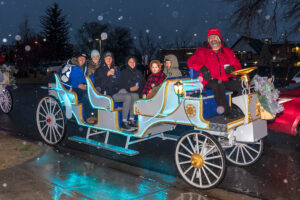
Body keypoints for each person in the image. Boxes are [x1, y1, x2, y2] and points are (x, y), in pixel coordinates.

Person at [187, 28, 242, 119]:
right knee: (217, 84)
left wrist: (233, 69)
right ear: (208, 40)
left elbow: (238, 66)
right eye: (210, 38)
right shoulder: (202, 52)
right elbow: (190, 62)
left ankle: (241, 108)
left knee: (242, 85)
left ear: (219, 38)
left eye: (215, 37)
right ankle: (226, 112)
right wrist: (202, 68)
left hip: (225, 79)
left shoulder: (227, 51)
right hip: (209, 80)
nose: (213, 40)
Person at [94, 52, 135, 131]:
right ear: (104, 59)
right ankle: (123, 122)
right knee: (127, 97)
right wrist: (107, 75)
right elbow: (99, 85)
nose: (109, 59)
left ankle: (131, 119)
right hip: (107, 94)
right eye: (107, 58)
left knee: (131, 94)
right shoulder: (99, 70)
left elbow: (118, 82)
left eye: (110, 58)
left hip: (116, 91)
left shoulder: (115, 69)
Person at [60, 53, 97, 124]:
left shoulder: (85, 68)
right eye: (81, 57)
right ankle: (90, 116)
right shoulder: (69, 67)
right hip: (72, 89)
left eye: (84, 58)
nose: (82, 59)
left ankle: (96, 115)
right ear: (77, 58)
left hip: (83, 88)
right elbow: (63, 80)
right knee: (86, 95)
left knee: (94, 94)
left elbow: (88, 78)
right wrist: (77, 85)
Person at [118, 56, 145, 127]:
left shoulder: (138, 73)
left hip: (136, 93)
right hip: (125, 92)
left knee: (135, 96)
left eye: (134, 62)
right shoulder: (123, 72)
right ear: (127, 63)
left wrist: (142, 91)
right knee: (130, 96)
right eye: (130, 62)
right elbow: (120, 85)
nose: (132, 63)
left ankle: (131, 119)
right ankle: (124, 121)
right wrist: (129, 88)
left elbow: (143, 83)